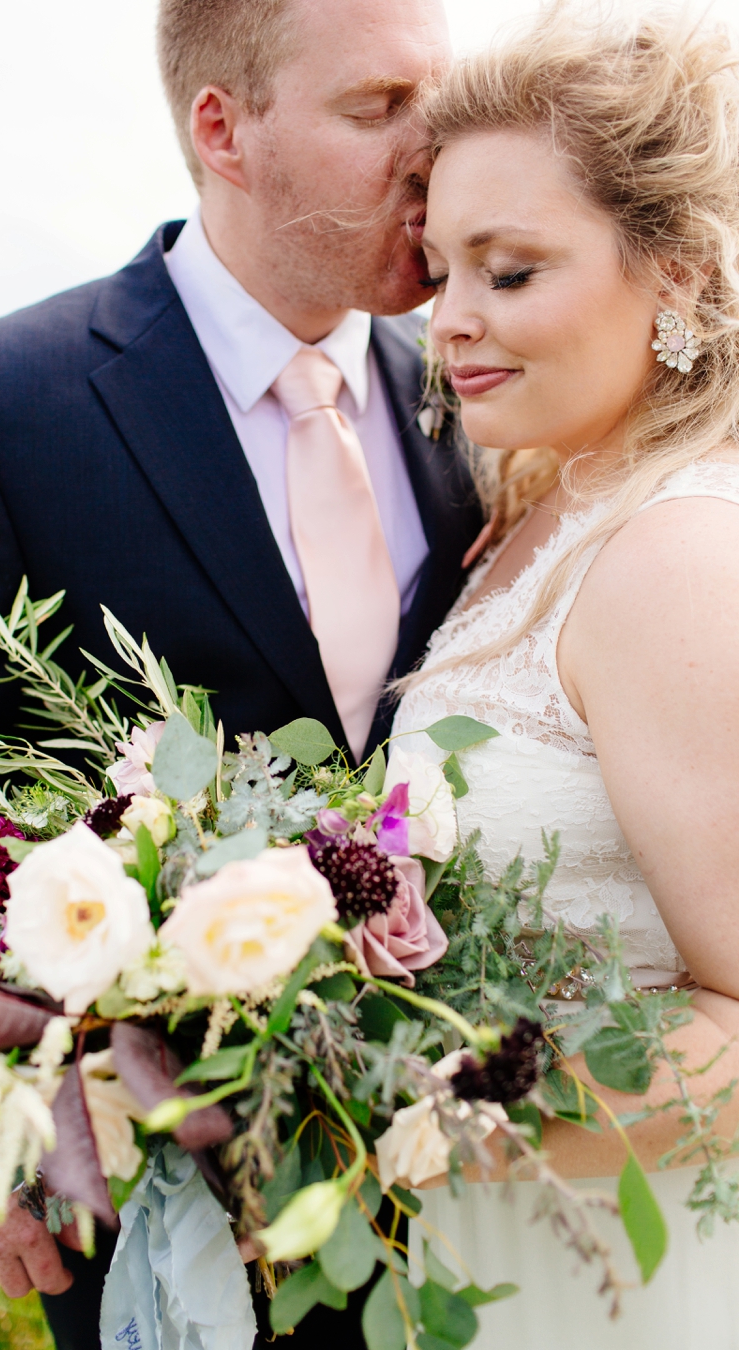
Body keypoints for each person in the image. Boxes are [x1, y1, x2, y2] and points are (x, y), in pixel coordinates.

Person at [0, 0, 481, 1346]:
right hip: (171, 1197)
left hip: (477, 1179)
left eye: (442, 98)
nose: (435, 148)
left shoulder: (482, 390)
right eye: (379, 109)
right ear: (225, 129)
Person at [390, 8, 739, 1347]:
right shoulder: (531, 519)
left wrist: (420, 1107)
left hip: (640, 1284)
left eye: (511, 272)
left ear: (683, 276)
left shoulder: (675, 556)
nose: (452, 321)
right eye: (439, 271)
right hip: (504, 1264)